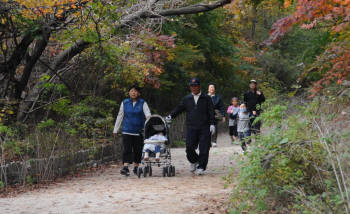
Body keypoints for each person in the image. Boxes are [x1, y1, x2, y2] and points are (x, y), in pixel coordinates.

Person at [166, 77, 215, 175]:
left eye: (196, 86)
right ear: (190, 87)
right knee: (189, 147)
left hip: (204, 127)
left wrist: (212, 124)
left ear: (200, 86)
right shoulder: (187, 99)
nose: (194, 88)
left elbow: (211, 112)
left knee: (204, 148)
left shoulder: (206, 98)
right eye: (192, 86)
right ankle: (194, 160)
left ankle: (201, 166)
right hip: (191, 127)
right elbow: (179, 108)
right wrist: (171, 115)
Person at [113, 84, 151, 176]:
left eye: (135, 91)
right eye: (132, 91)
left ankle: (136, 167)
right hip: (127, 130)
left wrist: (148, 125)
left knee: (138, 149)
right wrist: (115, 129)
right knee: (127, 149)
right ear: (129, 92)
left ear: (138, 93)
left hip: (138, 131)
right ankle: (125, 167)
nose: (133, 93)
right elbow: (120, 116)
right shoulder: (124, 103)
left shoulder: (143, 103)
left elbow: (148, 115)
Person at [207, 83, 226, 147]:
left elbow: (222, 107)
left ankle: (214, 141)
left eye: (213, 87)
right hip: (206, 115)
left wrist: (223, 115)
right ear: (208, 89)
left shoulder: (218, 97)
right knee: (206, 128)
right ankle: (208, 141)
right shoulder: (204, 97)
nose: (212, 88)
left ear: (214, 89)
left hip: (215, 115)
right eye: (210, 87)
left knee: (215, 127)